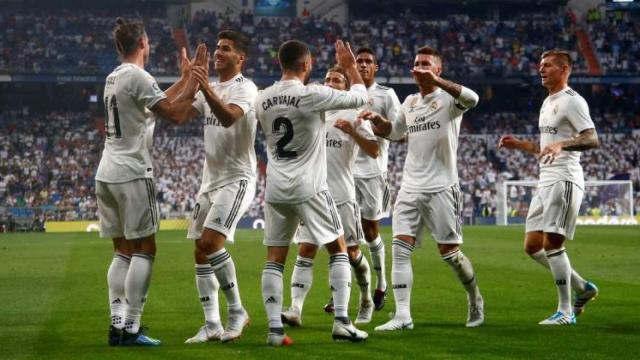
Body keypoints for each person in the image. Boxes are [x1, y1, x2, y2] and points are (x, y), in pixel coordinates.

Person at [360, 46, 484, 331]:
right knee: (400, 249)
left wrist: (437, 82)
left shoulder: (449, 100)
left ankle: (475, 299)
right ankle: (403, 315)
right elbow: (395, 133)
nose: (419, 67)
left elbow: (473, 99)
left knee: (450, 254)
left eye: (426, 64)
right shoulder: (410, 102)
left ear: (438, 70)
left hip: (442, 186)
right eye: (416, 63)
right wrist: (378, 122)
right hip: (410, 186)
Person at [254, 39, 368, 346]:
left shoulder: (261, 98)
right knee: (338, 248)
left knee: (275, 259)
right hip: (310, 186)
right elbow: (360, 96)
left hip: (276, 187)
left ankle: (275, 331)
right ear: (307, 65)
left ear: (280, 63)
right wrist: (348, 66)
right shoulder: (311, 94)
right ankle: (343, 322)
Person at [98, 18, 204, 346]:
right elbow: (172, 113)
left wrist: (186, 79)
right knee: (146, 248)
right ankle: (131, 327)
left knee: (122, 251)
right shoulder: (139, 76)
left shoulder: (115, 77)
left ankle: (117, 324)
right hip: (132, 171)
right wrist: (197, 82)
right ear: (143, 43)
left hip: (106, 172)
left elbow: (158, 103)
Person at [499, 49, 600, 325]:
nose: (541, 70)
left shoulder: (572, 101)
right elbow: (546, 149)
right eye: (540, 65)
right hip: (545, 180)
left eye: (547, 66)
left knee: (553, 244)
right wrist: (521, 145)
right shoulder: (547, 102)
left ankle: (566, 311)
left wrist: (562, 144)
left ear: (564, 69)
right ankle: (583, 288)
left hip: (564, 179)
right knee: (532, 246)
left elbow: (592, 139)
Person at [280, 66, 379, 327]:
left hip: (342, 195)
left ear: (346, 87)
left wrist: (353, 132)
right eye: (327, 79)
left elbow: (374, 150)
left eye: (337, 79)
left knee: (352, 253)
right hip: (312, 194)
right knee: (306, 249)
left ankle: (366, 299)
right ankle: (295, 309)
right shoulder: (312, 111)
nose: (331, 83)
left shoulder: (354, 112)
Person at [179, 30, 258, 344]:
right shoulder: (207, 88)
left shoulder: (246, 88)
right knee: (199, 249)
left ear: (240, 57)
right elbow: (180, 114)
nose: (218, 53)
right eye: (217, 48)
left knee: (211, 243)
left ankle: (237, 311)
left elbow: (228, 118)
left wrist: (204, 86)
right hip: (208, 181)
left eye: (225, 49)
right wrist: (187, 81)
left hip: (238, 179)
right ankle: (211, 323)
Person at [351, 48, 403, 310]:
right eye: (358, 61)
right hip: (343, 172)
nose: (362, 65)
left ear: (376, 67)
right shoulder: (346, 92)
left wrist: (376, 122)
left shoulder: (386, 95)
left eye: (367, 61)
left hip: (372, 171)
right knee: (343, 235)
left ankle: (381, 283)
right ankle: (343, 291)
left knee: (371, 231)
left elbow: (398, 132)